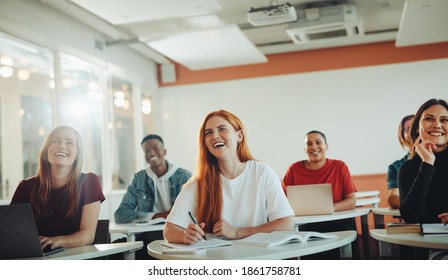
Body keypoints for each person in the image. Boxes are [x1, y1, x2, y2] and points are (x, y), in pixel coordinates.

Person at [164, 110, 294, 244]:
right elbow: (169, 230)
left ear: (239, 136)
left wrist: (238, 232)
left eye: (222, 129)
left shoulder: (262, 173)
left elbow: (286, 224)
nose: (215, 136)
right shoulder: (198, 183)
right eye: (208, 132)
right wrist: (184, 235)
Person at [11, 125, 105, 250]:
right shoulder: (25, 187)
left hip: (76, 257)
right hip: (36, 258)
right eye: (55, 141)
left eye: (69, 142)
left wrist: (56, 241)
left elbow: (87, 236)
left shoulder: (89, 181)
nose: (62, 146)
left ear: (77, 154)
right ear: (46, 150)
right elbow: (11, 232)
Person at [114, 134, 192, 258]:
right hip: (146, 234)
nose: (151, 153)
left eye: (156, 148)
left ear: (165, 151)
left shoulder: (185, 177)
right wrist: (156, 216)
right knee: (114, 250)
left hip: (177, 234)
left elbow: (196, 212)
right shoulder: (139, 178)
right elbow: (120, 214)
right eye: (146, 150)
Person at [282, 130, 357, 259]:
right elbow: (282, 202)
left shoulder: (339, 166)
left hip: (336, 223)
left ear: (326, 146)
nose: (314, 147)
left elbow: (351, 201)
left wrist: (328, 208)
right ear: (305, 149)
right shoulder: (294, 169)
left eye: (318, 142)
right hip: (304, 226)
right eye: (309, 144)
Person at [398, 98, 448, 260]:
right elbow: (410, 216)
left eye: (444, 120)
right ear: (417, 128)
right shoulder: (408, 168)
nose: (437, 125)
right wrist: (427, 163)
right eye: (429, 119)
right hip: (436, 247)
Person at [387, 115, 414, 209]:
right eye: (407, 129)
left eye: (416, 126)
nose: (413, 131)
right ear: (402, 136)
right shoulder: (395, 167)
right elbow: (393, 197)